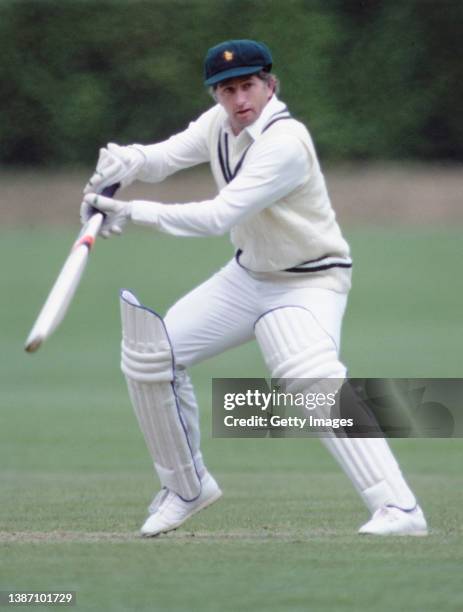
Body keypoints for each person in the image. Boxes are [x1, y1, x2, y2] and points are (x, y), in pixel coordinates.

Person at [81, 39, 428, 537]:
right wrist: (123, 165)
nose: (240, 99)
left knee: (307, 374)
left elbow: (219, 215)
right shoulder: (216, 125)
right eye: (227, 89)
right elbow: (161, 159)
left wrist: (131, 212)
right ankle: (186, 486)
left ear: (270, 85)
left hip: (309, 281)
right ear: (216, 94)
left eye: (248, 86)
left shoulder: (286, 143)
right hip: (248, 276)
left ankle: (399, 509)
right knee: (150, 355)